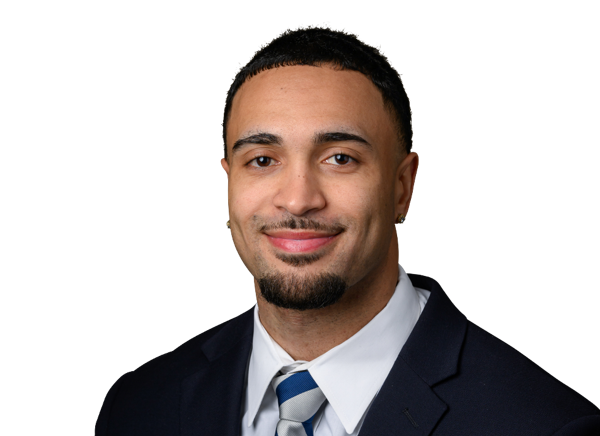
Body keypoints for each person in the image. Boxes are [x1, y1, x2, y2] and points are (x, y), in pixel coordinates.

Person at [95, 25, 599, 435]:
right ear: (229, 183)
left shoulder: (545, 425)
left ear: (402, 187)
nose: (298, 199)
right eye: (263, 159)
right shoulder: (137, 407)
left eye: (340, 158)